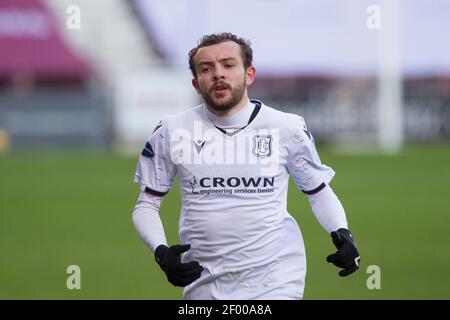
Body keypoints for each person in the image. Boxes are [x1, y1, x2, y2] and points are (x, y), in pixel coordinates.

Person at [132, 32, 360, 300]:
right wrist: (161, 252)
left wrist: (342, 232)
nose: (218, 74)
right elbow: (146, 205)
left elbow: (318, 191)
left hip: (275, 282)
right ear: (196, 83)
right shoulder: (171, 131)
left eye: (228, 65)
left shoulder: (286, 128)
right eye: (207, 69)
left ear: (249, 74)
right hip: (204, 284)